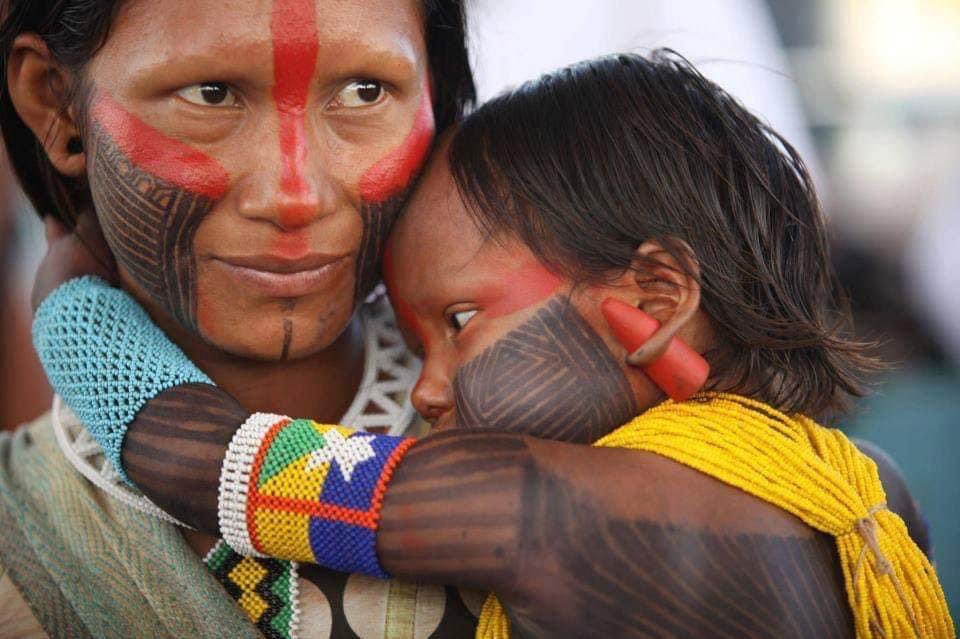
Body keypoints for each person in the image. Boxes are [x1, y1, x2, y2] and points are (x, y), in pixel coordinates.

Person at [30, 52, 953, 637]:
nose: (428, 389)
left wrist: (69, 296)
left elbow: (212, 465)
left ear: (656, 296)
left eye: (459, 324)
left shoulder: (533, 503)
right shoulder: (869, 487)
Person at [0, 0, 479, 637]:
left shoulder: (588, 428)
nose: (295, 194)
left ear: (435, 92)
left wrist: (80, 330)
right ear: (56, 104)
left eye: (366, 92)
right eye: (212, 94)